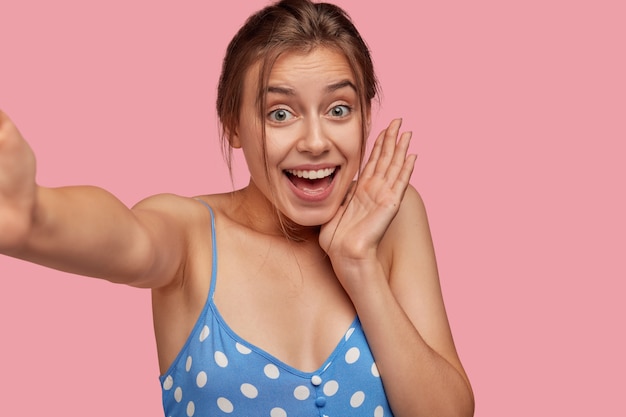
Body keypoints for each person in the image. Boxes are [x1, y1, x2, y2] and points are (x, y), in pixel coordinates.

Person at [0, 0, 474, 415]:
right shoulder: (192, 235)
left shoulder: (388, 215)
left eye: (338, 109)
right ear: (232, 126)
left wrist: (359, 266)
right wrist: (37, 218)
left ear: (365, 115)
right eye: (280, 114)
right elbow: (127, 237)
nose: (315, 142)